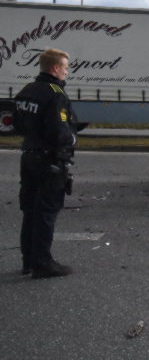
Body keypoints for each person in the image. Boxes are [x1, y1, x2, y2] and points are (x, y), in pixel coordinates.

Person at [13, 48, 77, 278]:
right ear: (55, 69)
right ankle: (43, 263)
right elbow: (60, 132)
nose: (67, 72)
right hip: (49, 159)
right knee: (46, 211)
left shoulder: (27, 91)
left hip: (28, 155)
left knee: (30, 210)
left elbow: (17, 125)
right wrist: (72, 138)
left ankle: (28, 261)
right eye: (65, 68)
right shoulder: (55, 94)